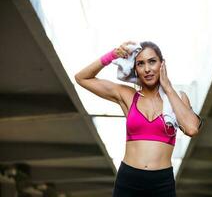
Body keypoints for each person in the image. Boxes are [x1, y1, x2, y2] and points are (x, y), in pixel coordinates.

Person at [75, 41, 202, 197]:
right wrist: (112, 55)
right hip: (128, 180)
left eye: (152, 61)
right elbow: (82, 78)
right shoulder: (128, 96)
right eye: (140, 64)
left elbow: (191, 128)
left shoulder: (177, 98)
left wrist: (168, 87)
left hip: (162, 183)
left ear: (162, 64)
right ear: (135, 69)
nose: (147, 69)